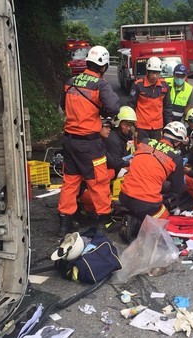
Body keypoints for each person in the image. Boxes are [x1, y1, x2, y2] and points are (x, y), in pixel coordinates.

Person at [58, 45, 120, 237]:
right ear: (103, 66)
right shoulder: (100, 84)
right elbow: (113, 107)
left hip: (69, 141)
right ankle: (104, 220)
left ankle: (64, 223)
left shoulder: (71, 82)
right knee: (98, 180)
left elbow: (63, 104)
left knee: (70, 181)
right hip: (89, 144)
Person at [119, 121, 188, 221]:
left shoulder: (145, 141)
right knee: (165, 219)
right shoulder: (176, 158)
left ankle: (135, 214)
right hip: (147, 203)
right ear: (177, 142)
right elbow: (177, 188)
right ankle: (135, 222)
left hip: (124, 195)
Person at [128, 56, 172, 142]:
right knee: (141, 151)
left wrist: (169, 124)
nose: (154, 76)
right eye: (152, 72)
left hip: (158, 127)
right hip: (141, 127)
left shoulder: (164, 85)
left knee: (157, 152)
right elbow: (131, 105)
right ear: (147, 72)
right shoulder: (138, 85)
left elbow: (167, 106)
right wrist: (132, 124)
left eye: (157, 73)